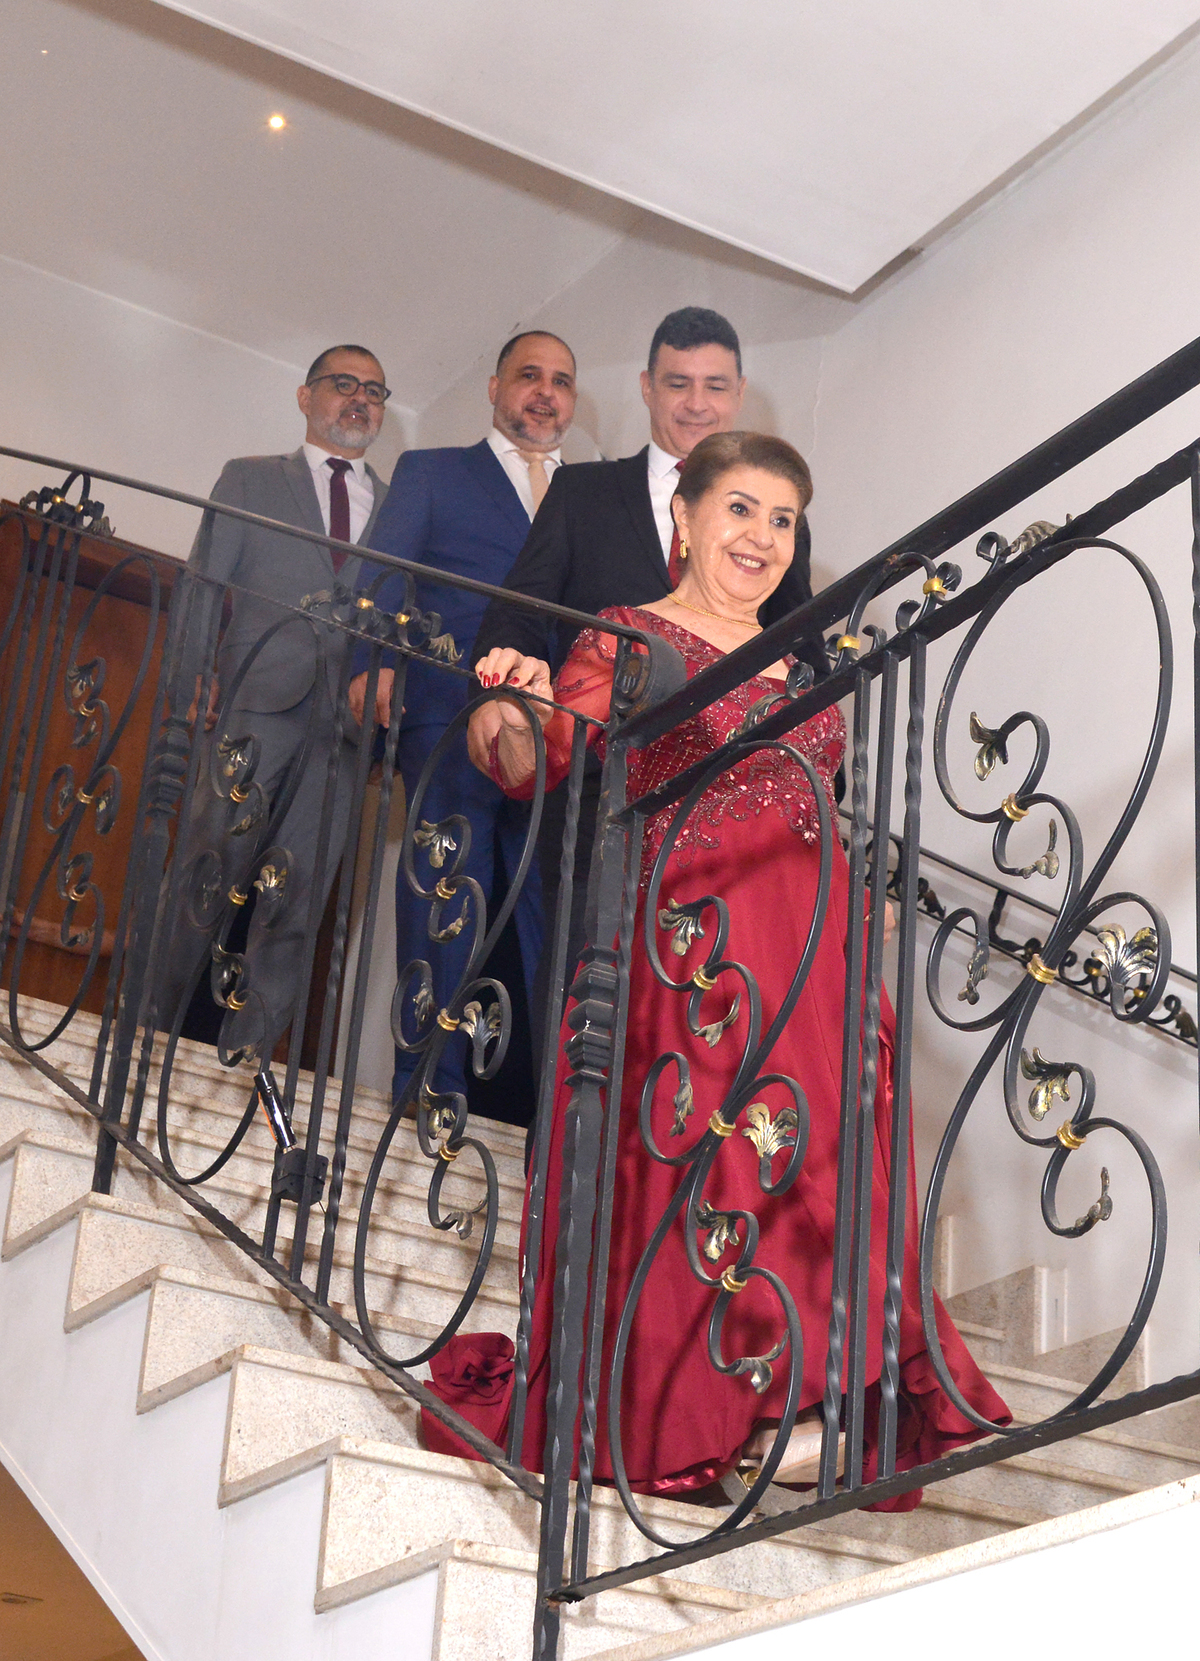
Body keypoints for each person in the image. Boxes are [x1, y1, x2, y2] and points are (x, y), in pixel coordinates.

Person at [422, 431, 1008, 1498]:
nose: (763, 537)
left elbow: (817, 801)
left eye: (783, 520)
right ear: (684, 519)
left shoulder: (808, 661)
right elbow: (538, 753)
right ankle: (721, 1407)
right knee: (714, 1155)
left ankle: (810, 1392)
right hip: (692, 948)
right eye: (741, 508)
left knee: (816, 1157)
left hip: (811, 947)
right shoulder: (630, 636)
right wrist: (506, 705)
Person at [467, 308, 823, 1043]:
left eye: (715, 385)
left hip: (748, 832)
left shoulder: (777, 524)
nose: (697, 402)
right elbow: (521, 611)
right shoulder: (583, 491)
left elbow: (804, 654)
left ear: (739, 393)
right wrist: (505, 690)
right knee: (590, 1013)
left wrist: (823, 807)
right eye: (678, 383)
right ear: (646, 387)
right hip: (596, 793)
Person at [347, 331, 578, 1110]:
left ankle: (555, 1113)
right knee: (444, 896)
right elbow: (383, 574)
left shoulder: (589, 497)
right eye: (529, 375)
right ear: (494, 386)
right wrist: (371, 661)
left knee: (554, 917)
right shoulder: (433, 472)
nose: (544, 392)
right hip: (450, 717)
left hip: (559, 740)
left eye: (560, 382)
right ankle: (425, 1088)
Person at [161, 344, 390, 1058]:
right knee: (208, 870)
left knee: (297, 899)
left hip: (344, 733)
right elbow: (202, 585)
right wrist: (190, 681)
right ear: (305, 396)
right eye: (344, 384)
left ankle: (247, 1059)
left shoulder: (401, 508)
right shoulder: (250, 478)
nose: (360, 399)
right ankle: (147, 1030)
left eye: (375, 391)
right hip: (255, 704)